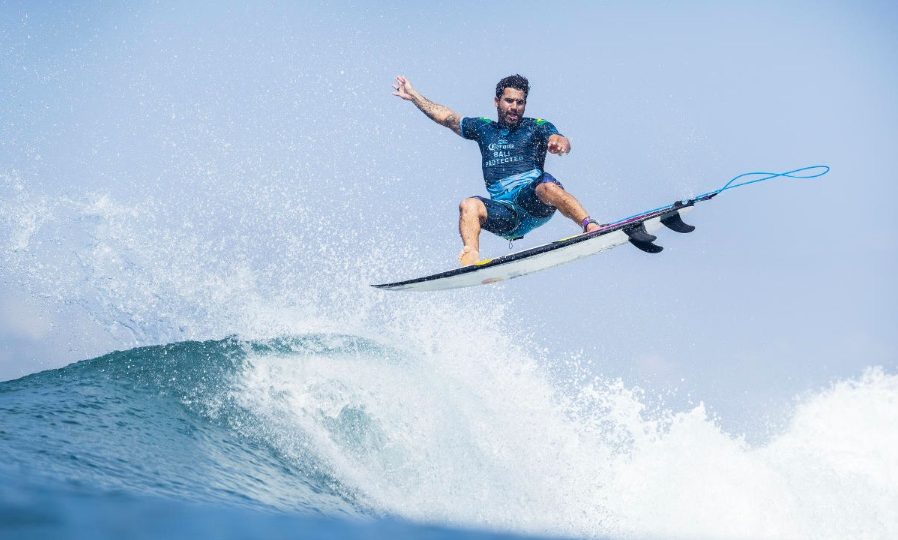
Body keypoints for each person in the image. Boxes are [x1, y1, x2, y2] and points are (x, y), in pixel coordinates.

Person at [392, 74, 601, 266]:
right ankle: (471, 257)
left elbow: (559, 138)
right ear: (496, 101)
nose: (514, 107)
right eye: (509, 101)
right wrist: (414, 96)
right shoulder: (484, 128)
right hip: (505, 215)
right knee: (468, 205)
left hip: (533, 202)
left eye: (520, 102)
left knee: (546, 186)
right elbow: (447, 118)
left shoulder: (536, 126)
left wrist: (560, 144)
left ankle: (589, 225)